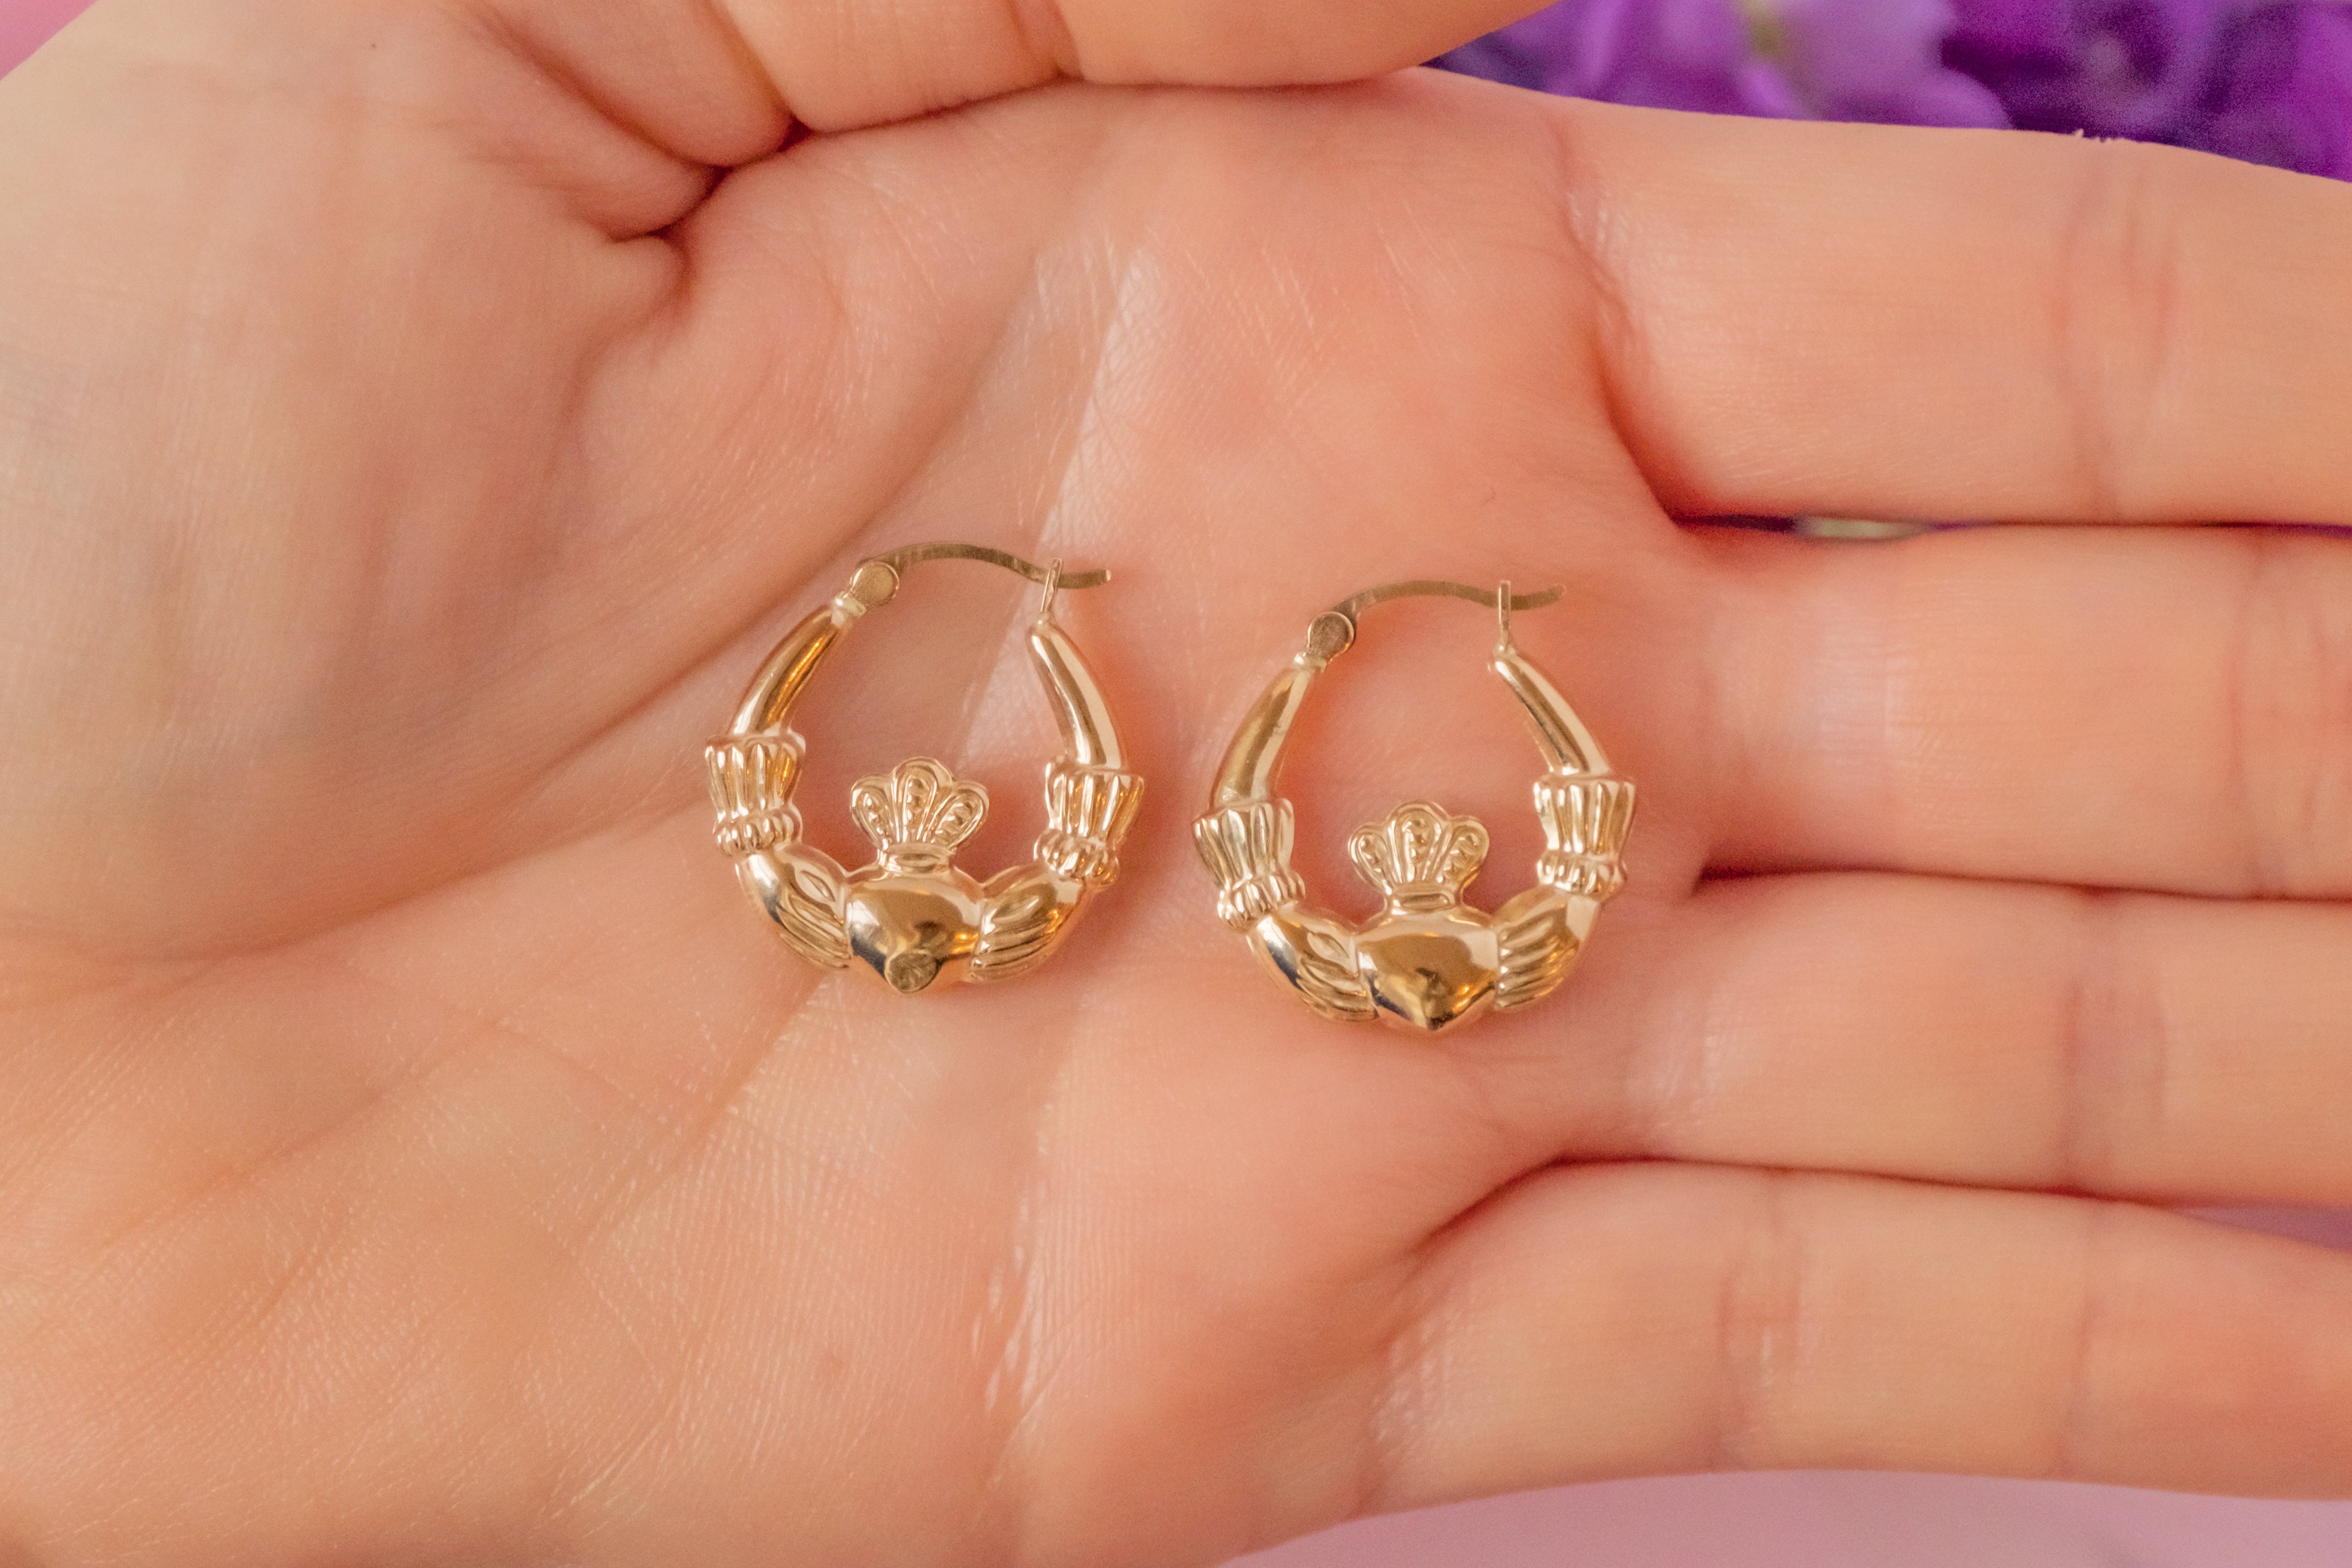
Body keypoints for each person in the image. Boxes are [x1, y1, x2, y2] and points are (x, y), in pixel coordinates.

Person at [1, 0, 2348, 1561]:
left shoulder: (1363, 886)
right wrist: (1051, 645)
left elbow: (1207, 823)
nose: (1413, 857)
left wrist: (1263, 673)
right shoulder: (1053, 860)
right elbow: (1085, 811)